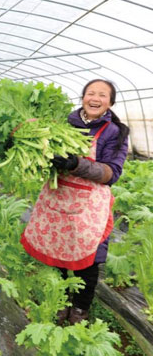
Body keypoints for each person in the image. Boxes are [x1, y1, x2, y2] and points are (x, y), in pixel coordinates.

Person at [21, 79, 130, 324]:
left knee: (87, 260)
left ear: (110, 103)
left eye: (102, 95)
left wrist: (75, 164)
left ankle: (80, 308)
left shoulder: (114, 132)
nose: (95, 98)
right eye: (90, 93)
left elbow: (112, 172)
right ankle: (61, 301)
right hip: (58, 197)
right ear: (82, 98)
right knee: (56, 251)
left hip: (89, 204)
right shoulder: (63, 123)